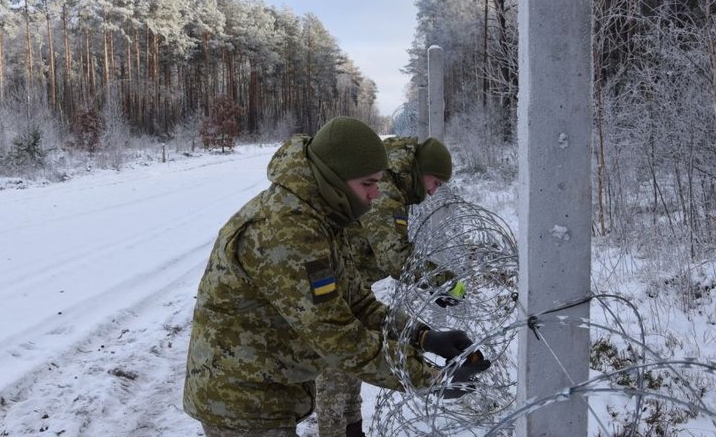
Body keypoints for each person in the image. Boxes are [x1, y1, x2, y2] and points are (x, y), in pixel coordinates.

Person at [183, 117, 488, 437]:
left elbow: (358, 304)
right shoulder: (287, 229)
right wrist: (429, 378)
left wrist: (423, 337)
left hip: (270, 385)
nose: (376, 194)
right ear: (334, 177)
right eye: (368, 184)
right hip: (239, 399)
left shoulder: (324, 217)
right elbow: (337, 336)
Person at [314, 136, 466, 437]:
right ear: (422, 170)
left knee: (349, 369)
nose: (434, 191)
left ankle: (351, 430)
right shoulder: (387, 191)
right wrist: (442, 282)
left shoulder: (396, 186)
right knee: (337, 373)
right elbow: (394, 256)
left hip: (351, 285)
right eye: (435, 182)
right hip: (334, 289)